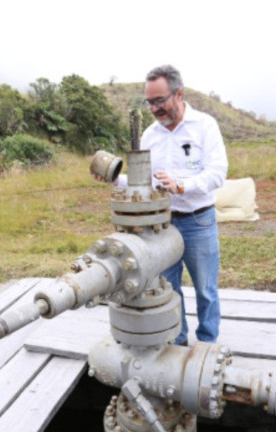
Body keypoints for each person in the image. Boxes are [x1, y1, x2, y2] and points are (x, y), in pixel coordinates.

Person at [94, 65, 227, 346]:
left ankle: (207, 346)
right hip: (160, 225)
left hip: (198, 221)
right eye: (149, 102)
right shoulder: (150, 135)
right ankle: (177, 343)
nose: (154, 109)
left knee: (205, 289)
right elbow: (145, 183)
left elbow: (217, 173)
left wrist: (181, 185)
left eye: (159, 101)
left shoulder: (204, 126)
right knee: (168, 288)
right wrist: (115, 179)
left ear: (178, 94)